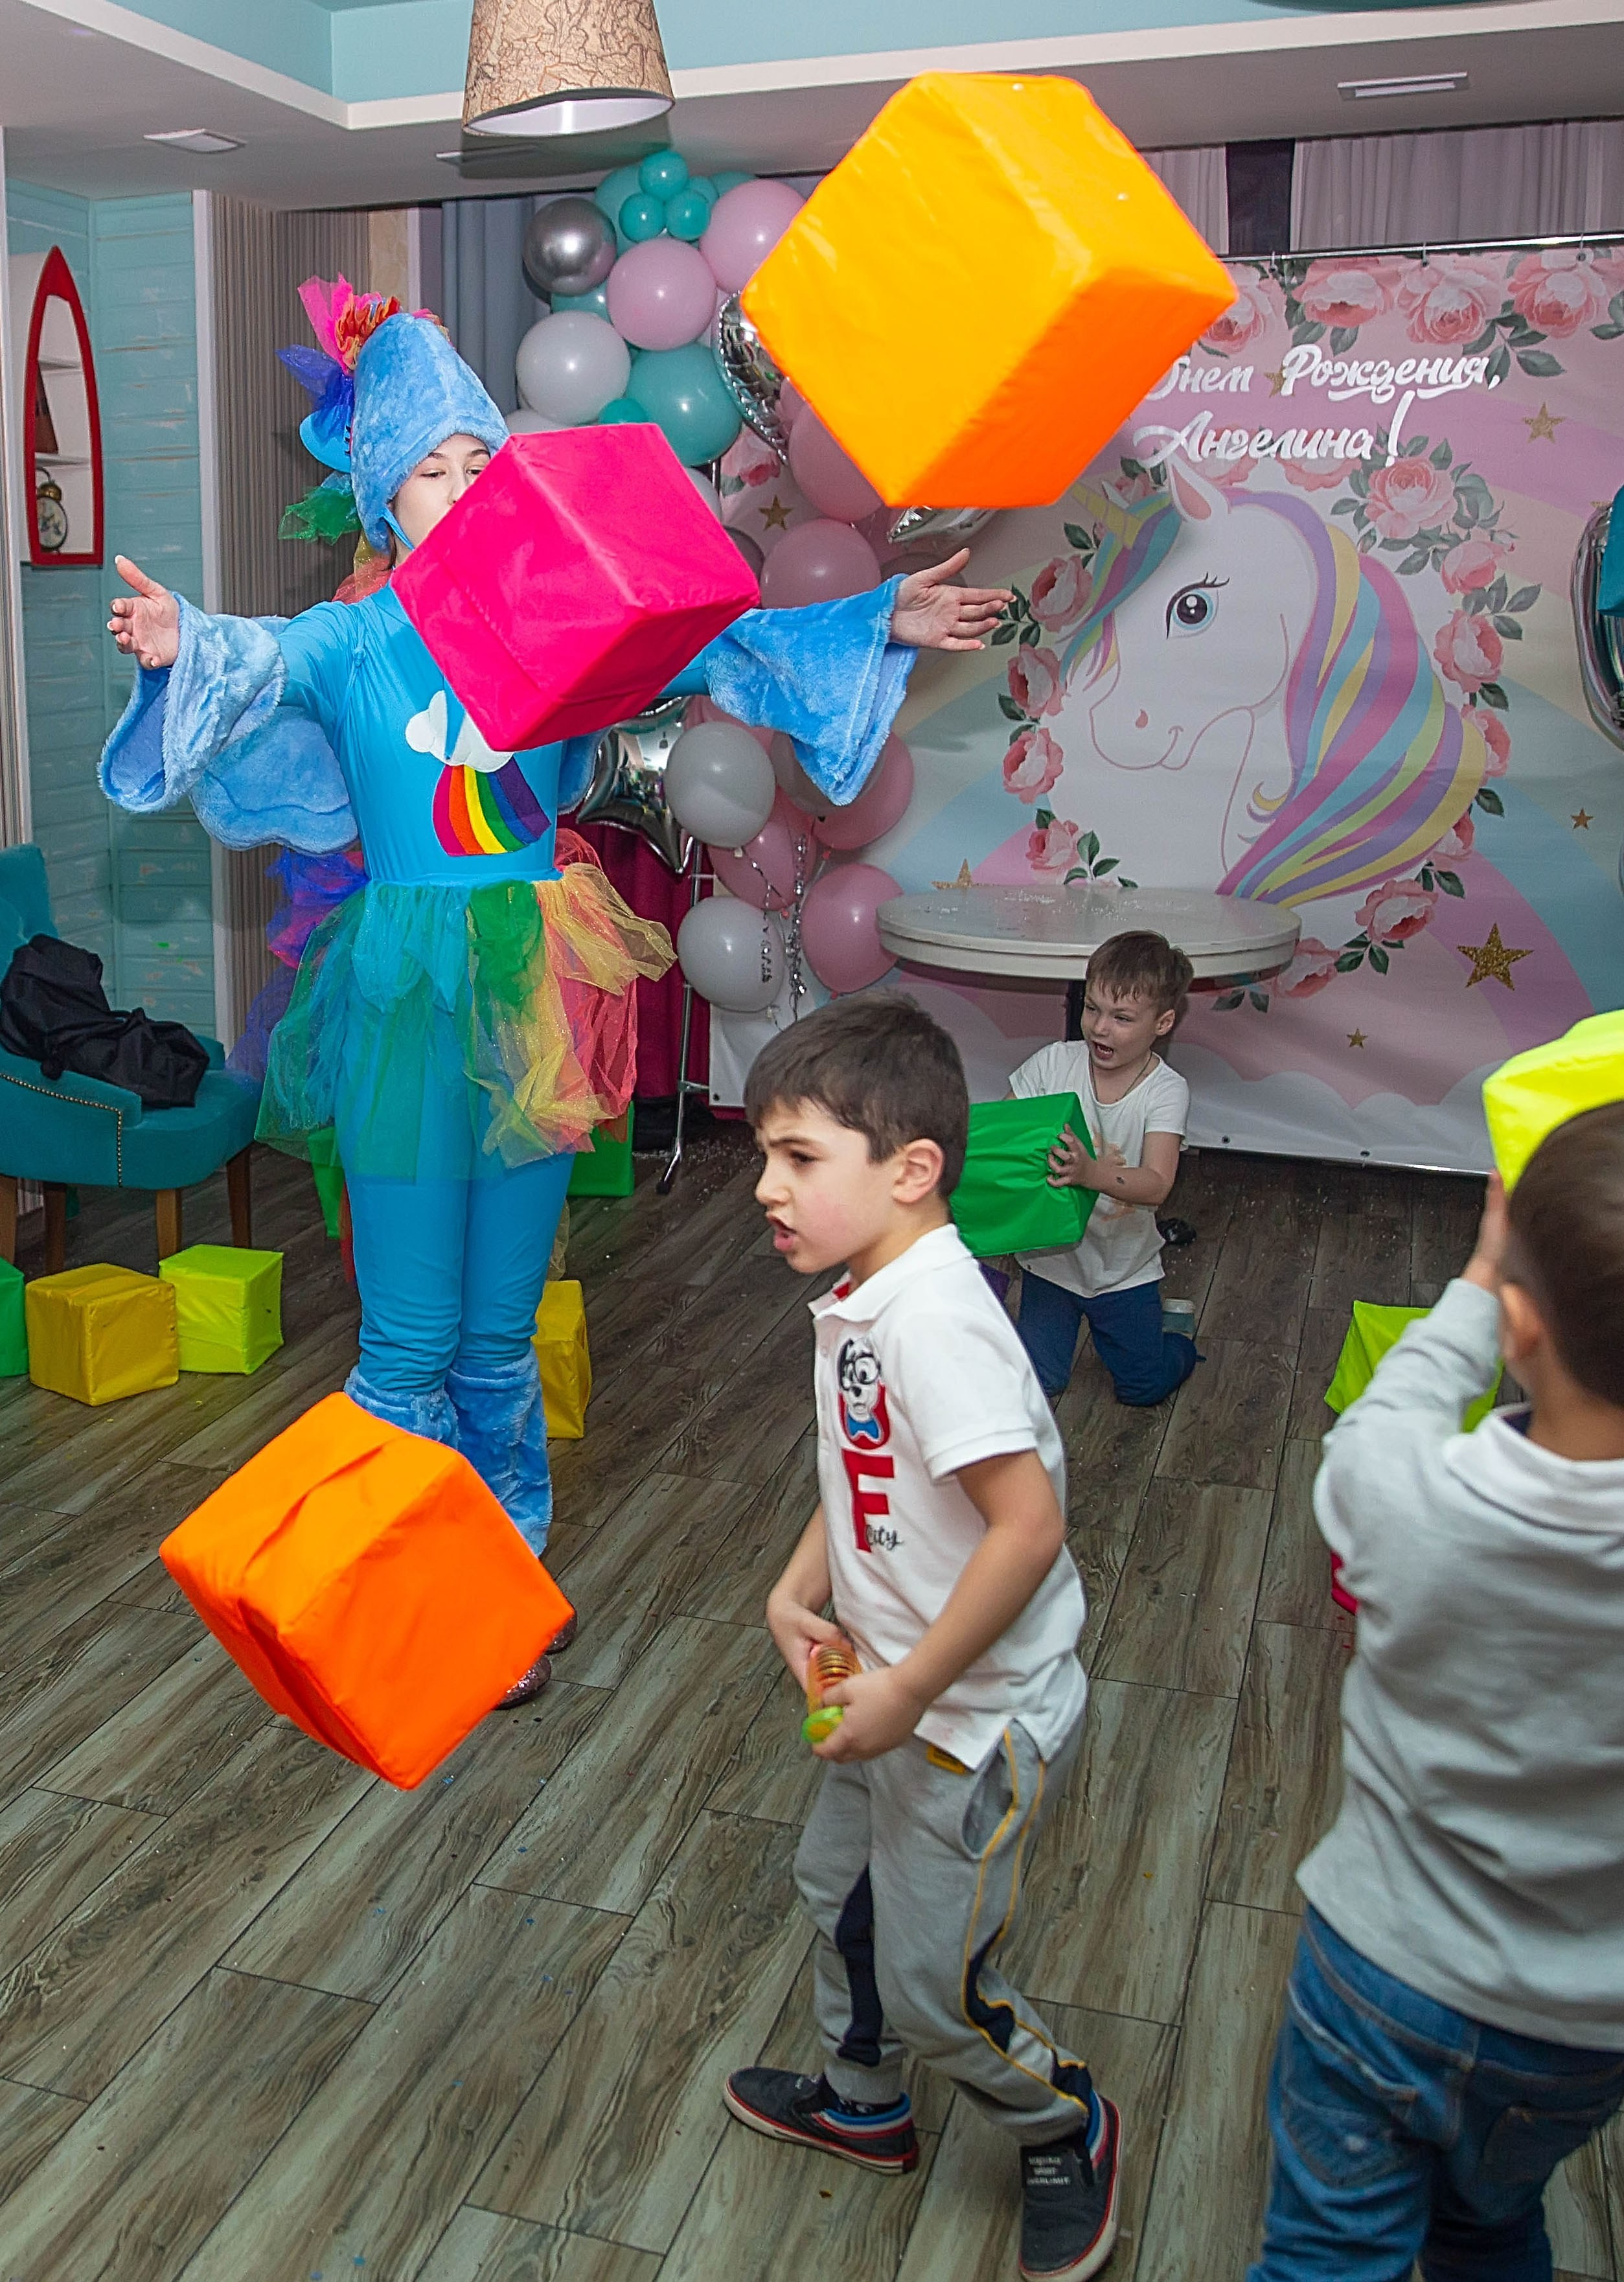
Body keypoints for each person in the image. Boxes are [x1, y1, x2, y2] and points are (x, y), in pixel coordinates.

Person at [100, 280, 1009, 1703]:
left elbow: (726, 640)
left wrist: (883, 611)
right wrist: (183, 647)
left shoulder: (560, 611)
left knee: (496, 1330)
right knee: (405, 1342)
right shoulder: (351, 641)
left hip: (537, 989)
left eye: (477, 462)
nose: (457, 490)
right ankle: (394, 1607)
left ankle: (505, 1587)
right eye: (427, 470)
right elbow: (253, 656)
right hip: (404, 998)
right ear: (377, 494)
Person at [725, 995, 1121, 2282]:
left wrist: (909, 1692)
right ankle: (862, 2102)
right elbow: (858, 1471)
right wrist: (801, 1590)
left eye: (796, 1159)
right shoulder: (866, 1292)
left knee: (938, 1987)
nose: (763, 1189)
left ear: (908, 1172)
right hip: (891, 1687)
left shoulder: (935, 1321)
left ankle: (1061, 2119)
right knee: (834, 1897)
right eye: (761, 1157)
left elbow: (1023, 1529)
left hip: (968, 1721)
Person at [1250, 1105, 1624, 2281]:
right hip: (1580, 2031)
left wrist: (1473, 1278)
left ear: (1518, 1320)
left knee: (1325, 2253)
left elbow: (1384, 1415)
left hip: (1381, 1976)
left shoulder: (1403, 1493)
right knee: (1492, 2227)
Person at [1008, 929, 1198, 1409]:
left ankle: (1174, 1340)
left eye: (1122, 1018)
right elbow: (1003, 1134)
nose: (1099, 1028)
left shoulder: (1165, 1091)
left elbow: (1156, 1185)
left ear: (1164, 1022)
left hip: (1122, 1272)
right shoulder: (1053, 1063)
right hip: (1050, 1265)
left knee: (1141, 1389)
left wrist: (1090, 1174)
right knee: (1037, 1385)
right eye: (1091, 1008)